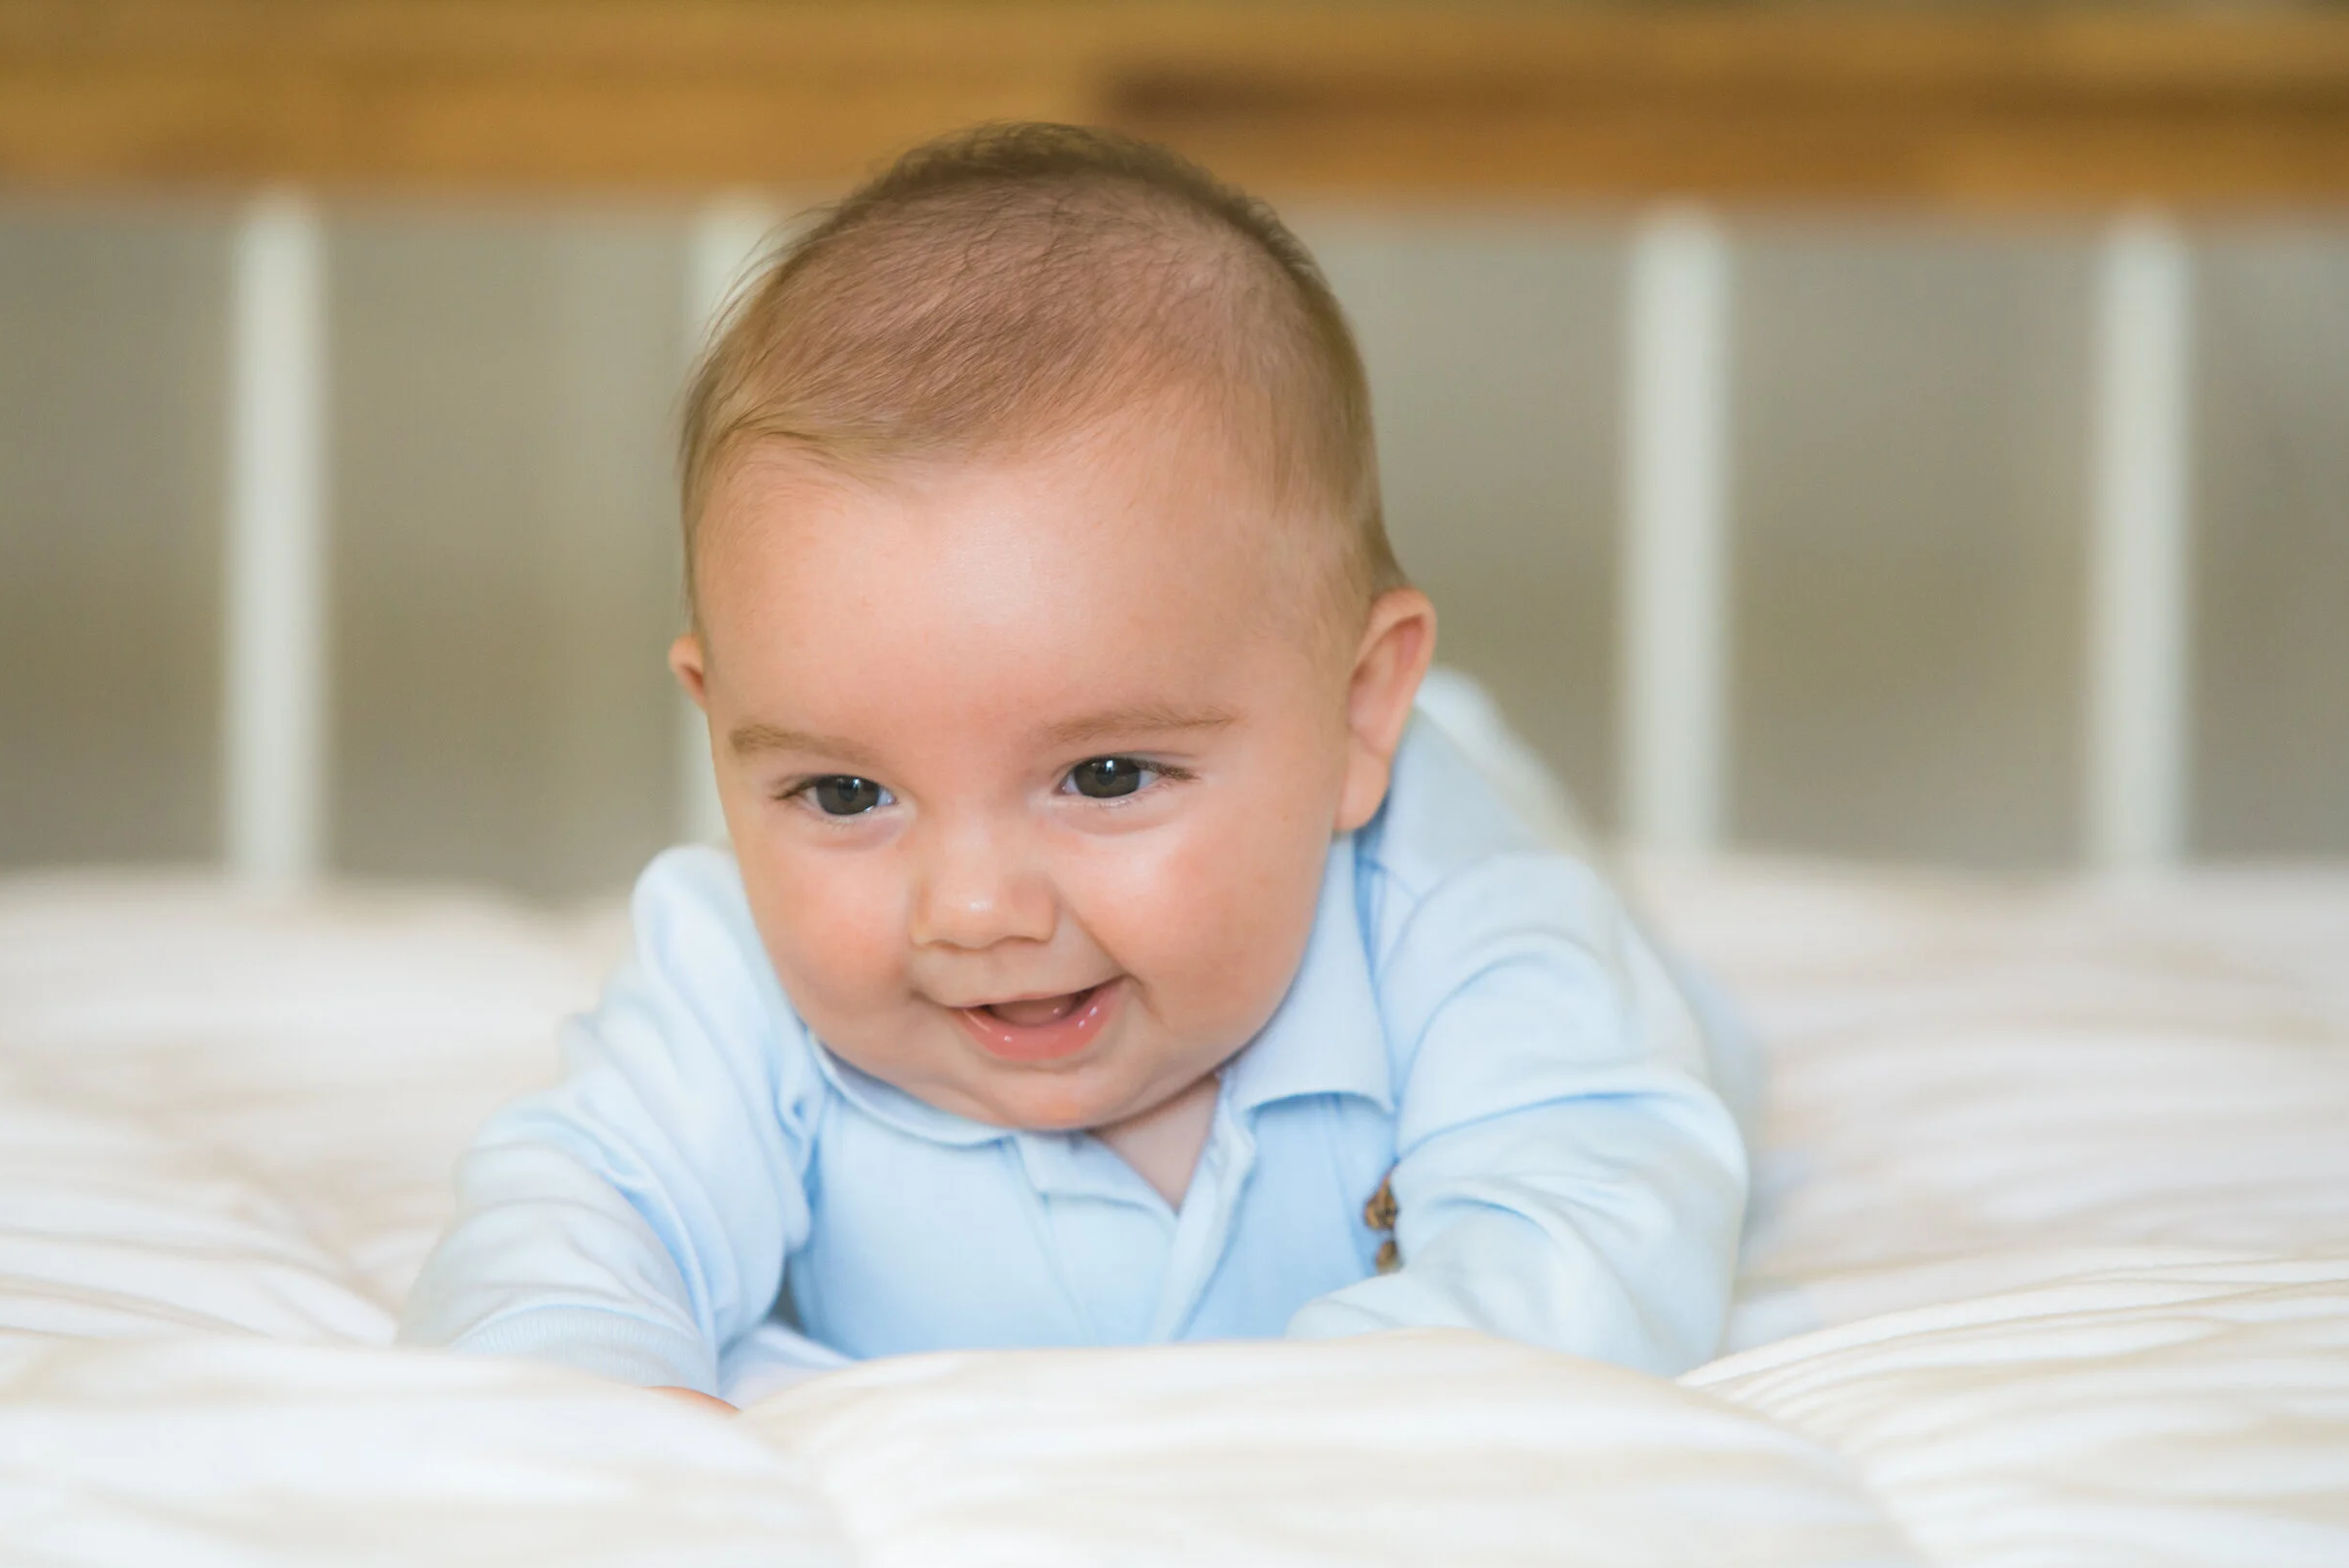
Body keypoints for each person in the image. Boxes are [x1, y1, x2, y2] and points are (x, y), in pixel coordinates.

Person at [399, 123, 1747, 1411]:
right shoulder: (735, 968)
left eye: (1106, 776)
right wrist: (599, 1403)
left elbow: (1594, 1224)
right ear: (720, 722)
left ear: (1354, 715)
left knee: (1570, 906)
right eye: (847, 794)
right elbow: (574, 1218)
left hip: (1450, 825)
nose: (975, 909)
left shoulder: (1464, 918)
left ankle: (1454, 736)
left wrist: (1297, 1429)